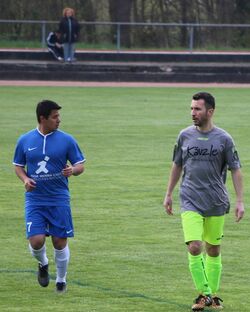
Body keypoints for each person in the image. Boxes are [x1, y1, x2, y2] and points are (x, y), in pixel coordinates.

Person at [163, 92, 244, 311]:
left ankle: (212, 295)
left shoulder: (224, 139)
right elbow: (177, 165)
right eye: (191, 109)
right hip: (190, 199)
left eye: (197, 109)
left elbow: (235, 169)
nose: (193, 113)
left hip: (216, 201)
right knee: (195, 246)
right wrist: (169, 193)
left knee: (214, 249)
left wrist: (240, 201)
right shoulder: (184, 136)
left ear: (210, 111)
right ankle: (205, 294)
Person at [13, 100, 85, 293]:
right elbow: (18, 166)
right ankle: (43, 263)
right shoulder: (25, 140)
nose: (59, 120)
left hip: (59, 198)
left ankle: (61, 280)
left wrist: (73, 170)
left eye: (58, 116)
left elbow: (80, 165)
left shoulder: (67, 140)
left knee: (59, 241)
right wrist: (25, 179)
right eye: (55, 117)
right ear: (42, 118)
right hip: (35, 199)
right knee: (36, 241)